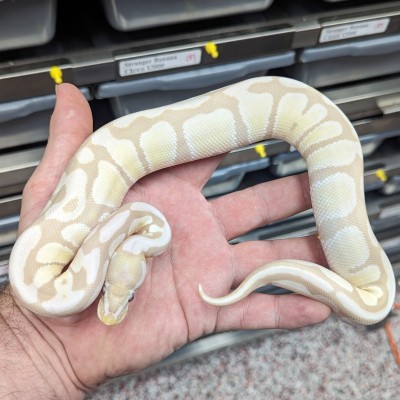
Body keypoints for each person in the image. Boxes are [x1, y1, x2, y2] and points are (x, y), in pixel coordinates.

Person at [0, 83, 331, 399]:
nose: (110, 312)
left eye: (114, 292)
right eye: (124, 295)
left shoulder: (118, 243)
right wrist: (40, 347)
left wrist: (37, 348)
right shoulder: (123, 243)